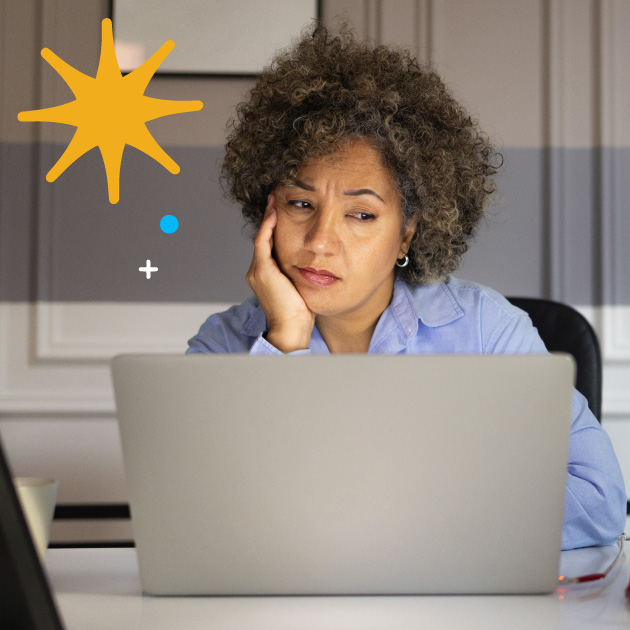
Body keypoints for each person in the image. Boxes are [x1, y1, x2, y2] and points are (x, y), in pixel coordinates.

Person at [187, 24, 626, 549]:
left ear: (407, 232)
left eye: (362, 214)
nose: (320, 242)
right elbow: (211, 518)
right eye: (301, 204)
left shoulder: (488, 333)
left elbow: (597, 501)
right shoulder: (221, 347)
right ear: (269, 210)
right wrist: (286, 342)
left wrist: (401, 528)